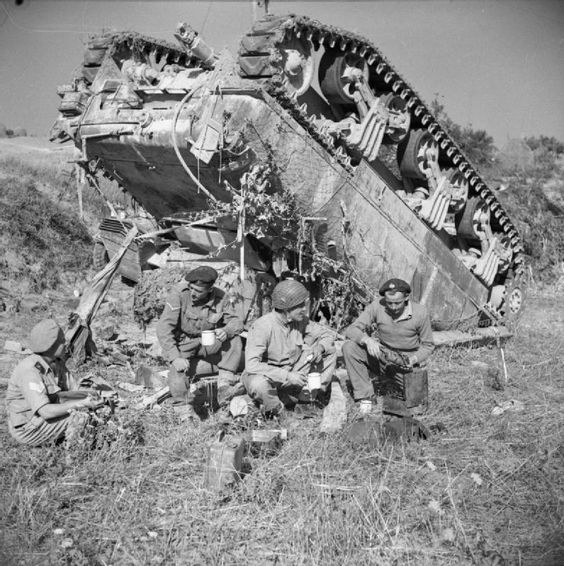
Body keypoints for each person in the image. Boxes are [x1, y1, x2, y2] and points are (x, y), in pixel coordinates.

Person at [157, 265, 244, 418]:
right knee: (177, 375)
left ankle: (225, 385)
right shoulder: (179, 294)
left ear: (210, 290)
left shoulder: (221, 297)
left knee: (235, 338)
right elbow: (164, 328)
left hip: (208, 342)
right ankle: (184, 410)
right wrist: (175, 357)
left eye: (198, 291)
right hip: (184, 344)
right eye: (191, 288)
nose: (193, 293)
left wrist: (226, 331)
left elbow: (237, 322)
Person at [242, 279, 337, 418]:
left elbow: (327, 334)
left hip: (294, 371)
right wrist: (287, 376)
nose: (305, 309)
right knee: (258, 384)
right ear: (287, 309)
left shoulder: (300, 321)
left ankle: (306, 400)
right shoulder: (262, 326)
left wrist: (320, 347)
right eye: (300, 306)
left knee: (330, 351)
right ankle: (277, 411)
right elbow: (251, 365)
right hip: (269, 376)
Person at [342, 278, 434, 420]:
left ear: (406, 298)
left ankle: (399, 384)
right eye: (389, 303)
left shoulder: (420, 313)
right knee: (350, 347)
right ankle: (365, 396)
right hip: (381, 356)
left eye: (397, 303)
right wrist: (367, 340)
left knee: (417, 406)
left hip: (404, 363)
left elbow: (428, 346)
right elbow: (351, 330)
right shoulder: (377, 306)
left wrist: (413, 359)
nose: (393, 307)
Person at [6, 319, 103, 447]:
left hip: (42, 419)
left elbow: (75, 389)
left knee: (96, 409)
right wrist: (81, 403)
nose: (66, 344)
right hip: (28, 428)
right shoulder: (30, 370)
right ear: (51, 346)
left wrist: (94, 394)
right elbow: (46, 411)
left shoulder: (55, 363)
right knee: (82, 416)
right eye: (62, 341)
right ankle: (76, 455)